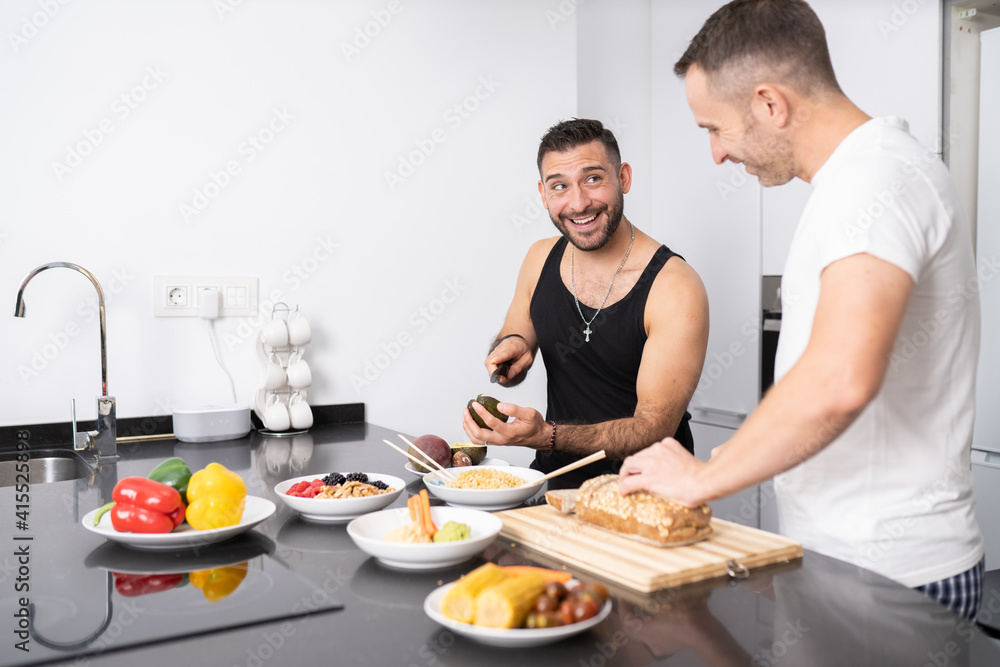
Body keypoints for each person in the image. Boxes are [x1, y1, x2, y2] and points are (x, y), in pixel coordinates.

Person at [618, 0, 984, 620]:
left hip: (890, 582)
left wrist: (703, 478)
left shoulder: (876, 183)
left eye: (714, 128)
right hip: (852, 567)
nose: (715, 154)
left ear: (770, 104)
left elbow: (841, 379)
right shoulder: (860, 179)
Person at [461, 118, 709, 489]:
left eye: (593, 179)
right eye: (559, 186)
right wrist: (509, 349)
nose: (578, 203)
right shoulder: (539, 258)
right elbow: (516, 336)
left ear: (623, 178)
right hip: (553, 487)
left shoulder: (675, 286)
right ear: (544, 195)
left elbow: (652, 428)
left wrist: (548, 436)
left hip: (647, 492)